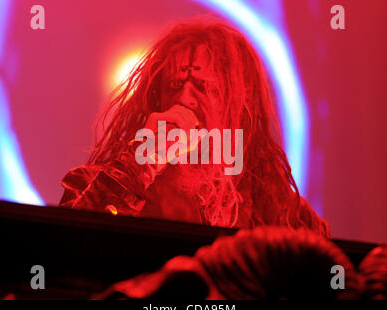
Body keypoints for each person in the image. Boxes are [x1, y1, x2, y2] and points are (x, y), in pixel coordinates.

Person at [59, 19, 330, 237]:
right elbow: (68, 245)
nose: (184, 99)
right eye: (174, 86)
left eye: (202, 87)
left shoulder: (277, 210)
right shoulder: (90, 184)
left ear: (235, 102)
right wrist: (139, 164)